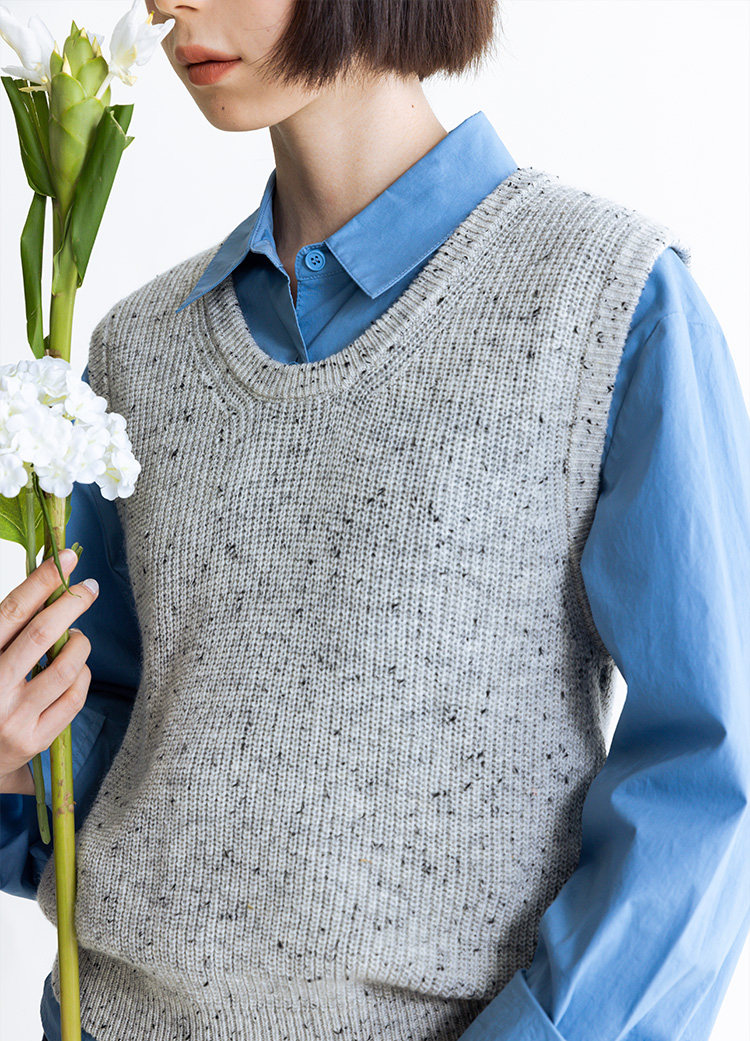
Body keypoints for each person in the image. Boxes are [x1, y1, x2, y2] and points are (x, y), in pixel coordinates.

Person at [1, 1, 749, 1040]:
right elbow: (119, 762)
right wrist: (13, 762)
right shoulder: (140, 349)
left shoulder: (612, 305)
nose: (168, 4)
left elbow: (705, 776)